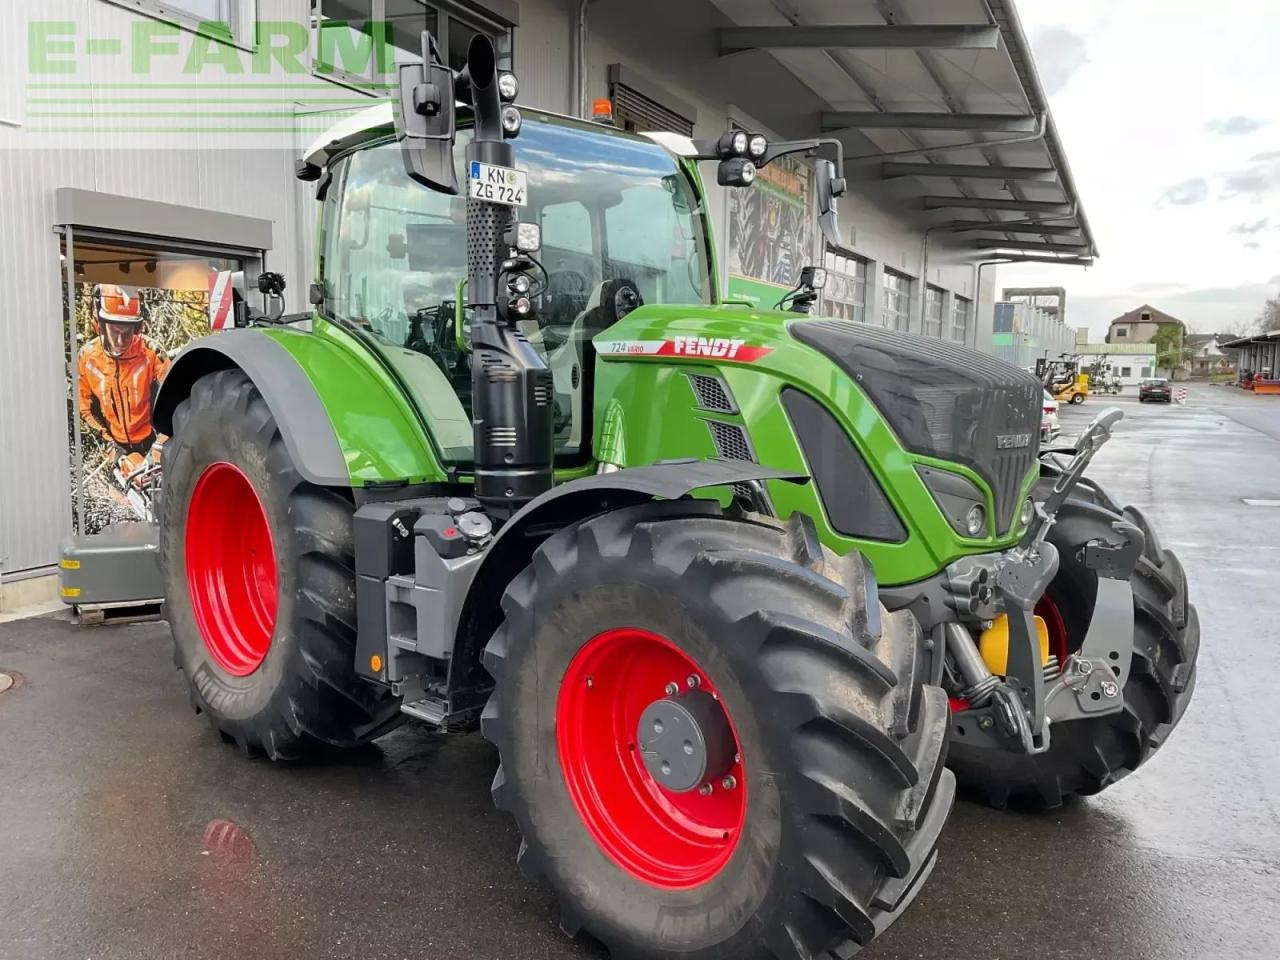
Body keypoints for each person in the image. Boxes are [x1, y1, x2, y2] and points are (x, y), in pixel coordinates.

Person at [77, 284, 170, 473]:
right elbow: (86, 411)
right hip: (115, 443)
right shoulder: (88, 358)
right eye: (115, 332)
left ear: (137, 328)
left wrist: (159, 449)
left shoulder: (152, 354)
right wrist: (112, 449)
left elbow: (174, 404)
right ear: (99, 326)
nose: (120, 341)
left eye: (126, 333)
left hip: (153, 440)